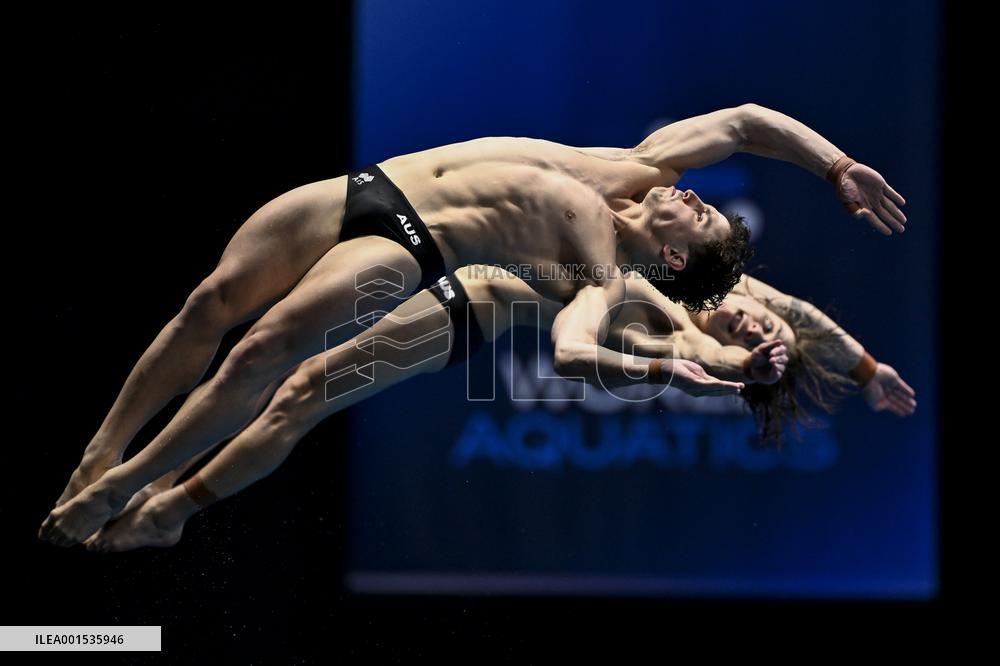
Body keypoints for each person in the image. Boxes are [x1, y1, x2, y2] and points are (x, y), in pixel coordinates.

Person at [41, 103, 907, 546]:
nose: (694, 195)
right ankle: (104, 456)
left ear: (691, 277)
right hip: (382, 188)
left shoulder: (649, 297)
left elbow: (588, 343)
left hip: (443, 282)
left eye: (705, 216)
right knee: (212, 303)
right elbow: (747, 125)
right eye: (758, 306)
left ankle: (157, 501)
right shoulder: (647, 170)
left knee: (289, 373)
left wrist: (699, 367)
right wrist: (833, 173)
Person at [77, 266, 914, 552]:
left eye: (758, 329)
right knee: (263, 347)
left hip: (467, 306)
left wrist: (741, 362)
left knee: (300, 391)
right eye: (765, 319)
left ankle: (168, 508)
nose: (760, 315)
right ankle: (139, 481)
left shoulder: (691, 337)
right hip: (455, 255)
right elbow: (812, 320)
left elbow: (702, 361)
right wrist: (870, 367)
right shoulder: (737, 287)